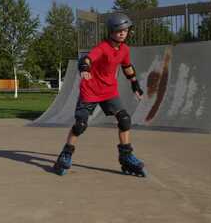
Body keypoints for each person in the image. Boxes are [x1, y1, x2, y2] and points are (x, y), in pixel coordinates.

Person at [53, 13, 146, 177]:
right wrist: (85, 67)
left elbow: (127, 66)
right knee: (80, 124)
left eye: (125, 30)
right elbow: (88, 58)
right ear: (111, 32)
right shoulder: (102, 48)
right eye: (119, 31)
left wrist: (135, 84)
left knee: (124, 120)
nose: (123, 33)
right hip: (91, 90)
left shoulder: (124, 49)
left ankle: (126, 156)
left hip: (109, 91)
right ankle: (66, 154)